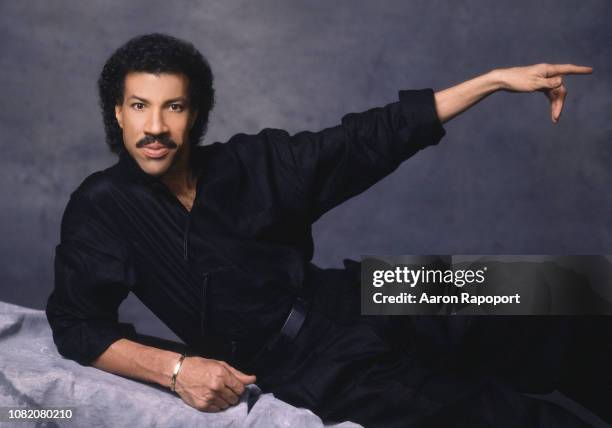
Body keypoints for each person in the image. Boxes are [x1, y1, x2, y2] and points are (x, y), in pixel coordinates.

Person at [46, 33, 600, 427]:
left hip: (356, 290)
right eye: (139, 106)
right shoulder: (101, 207)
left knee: (557, 296)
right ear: (117, 113)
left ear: (196, 115)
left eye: (174, 107)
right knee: (511, 419)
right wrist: (177, 369)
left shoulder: (249, 162)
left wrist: (492, 82)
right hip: (314, 365)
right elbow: (77, 325)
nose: (155, 126)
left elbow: (362, 140)